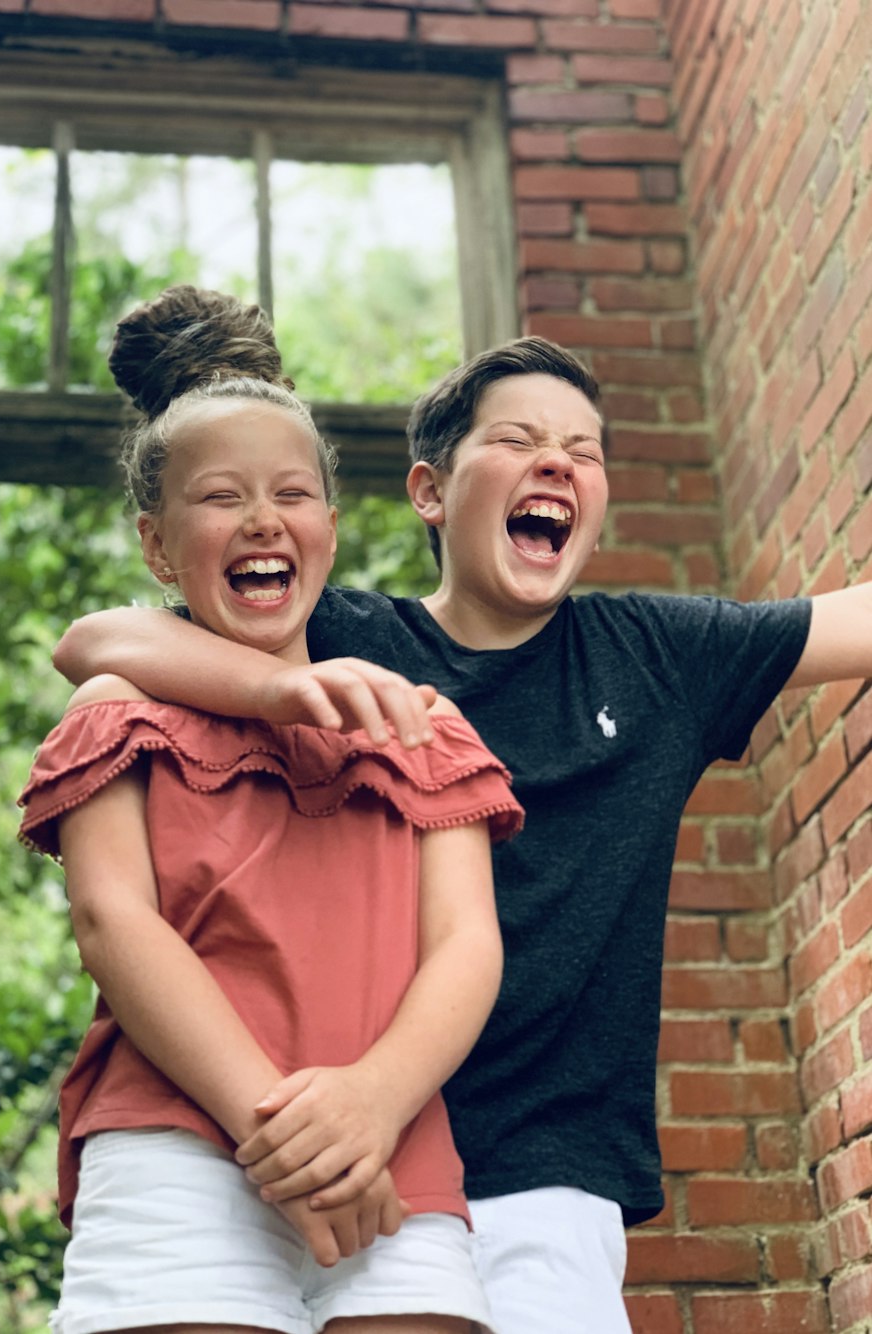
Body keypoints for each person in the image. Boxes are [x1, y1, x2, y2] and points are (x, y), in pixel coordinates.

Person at [54, 324, 872, 1334]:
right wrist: (287, 684)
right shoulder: (353, 648)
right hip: (292, 1119)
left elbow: (851, 622)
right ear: (428, 491)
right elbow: (104, 643)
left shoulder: (659, 655)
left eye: (584, 450)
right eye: (519, 438)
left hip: (531, 1163)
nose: (554, 463)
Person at [18, 286, 524, 1334]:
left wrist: (372, 1102)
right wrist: (280, 1135)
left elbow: (467, 946)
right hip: (179, 1152)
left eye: (292, 492)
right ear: (159, 548)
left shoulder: (425, 729)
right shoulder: (119, 707)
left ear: (328, 531)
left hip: (391, 1158)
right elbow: (117, 924)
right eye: (220, 498)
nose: (261, 519)